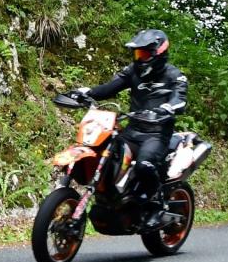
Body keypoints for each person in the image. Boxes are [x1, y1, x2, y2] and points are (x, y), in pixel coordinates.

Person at [69, 28, 187, 231]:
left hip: (156, 134)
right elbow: (110, 87)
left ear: (159, 53)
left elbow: (179, 100)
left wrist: (168, 108)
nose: (139, 58)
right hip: (132, 131)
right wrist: (87, 93)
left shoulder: (175, 76)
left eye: (144, 53)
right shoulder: (133, 71)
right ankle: (114, 197)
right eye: (137, 53)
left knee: (144, 164)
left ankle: (155, 207)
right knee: (106, 153)